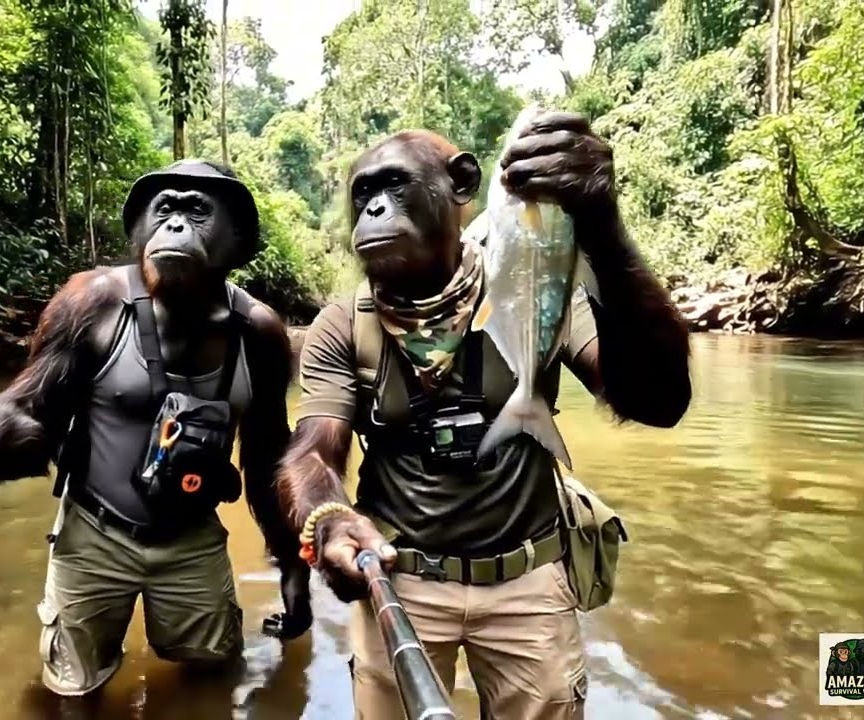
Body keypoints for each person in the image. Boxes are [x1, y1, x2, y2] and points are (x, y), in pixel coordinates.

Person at [275, 114, 692, 719]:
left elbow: (658, 401)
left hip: (530, 577)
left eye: (394, 186)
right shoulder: (343, 325)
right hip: (400, 578)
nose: (375, 209)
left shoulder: (534, 288)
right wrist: (330, 521)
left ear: (462, 185)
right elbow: (312, 452)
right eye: (364, 194)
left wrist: (604, 232)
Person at [0, 160, 311, 698]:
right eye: (164, 210)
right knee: (71, 691)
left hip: (191, 532)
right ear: (139, 231)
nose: (175, 225)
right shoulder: (93, 302)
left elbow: (267, 457)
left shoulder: (259, 333)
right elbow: (30, 413)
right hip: (94, 530)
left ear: (237, 239)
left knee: (212, 678)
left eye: (196, 211)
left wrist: (292, 565)